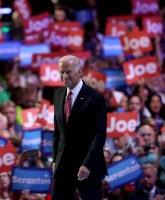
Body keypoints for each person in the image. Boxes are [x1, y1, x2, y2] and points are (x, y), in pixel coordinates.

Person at [52, 55, 107, 200]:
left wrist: (87, 164)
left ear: (80, 72)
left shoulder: (95, 98)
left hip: (87, 166)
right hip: (63, 164)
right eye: (61, 72)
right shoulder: (58, 95)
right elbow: (57, 132)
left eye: (68, 72)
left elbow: (99, 135)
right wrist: (54, 160)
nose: (64, 76)